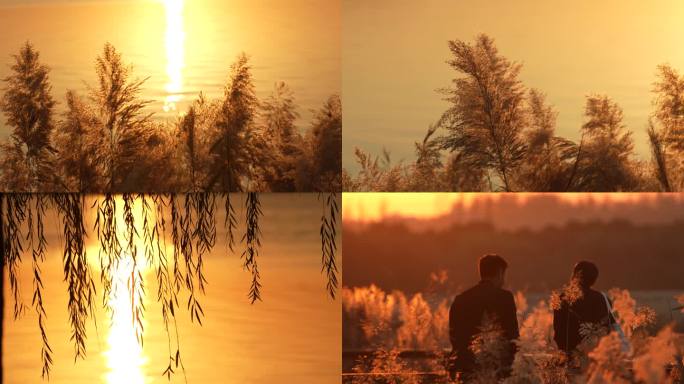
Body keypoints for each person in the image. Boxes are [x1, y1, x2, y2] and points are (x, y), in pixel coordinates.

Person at [448, 254, 519, 381]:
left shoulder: (461, 299)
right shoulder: (505, 298)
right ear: (499, 273)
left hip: (467, 369)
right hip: (497, 369)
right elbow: (513, 336)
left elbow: (454, 336)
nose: (503, 281)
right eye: (503, 276)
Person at [553, 261, 615, 356]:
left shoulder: (563, 298)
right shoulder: (604, 299)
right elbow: (610, 332)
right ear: (594, 280)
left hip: (569, 357)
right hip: (597, 357)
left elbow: (558, 335)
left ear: (575, 276)